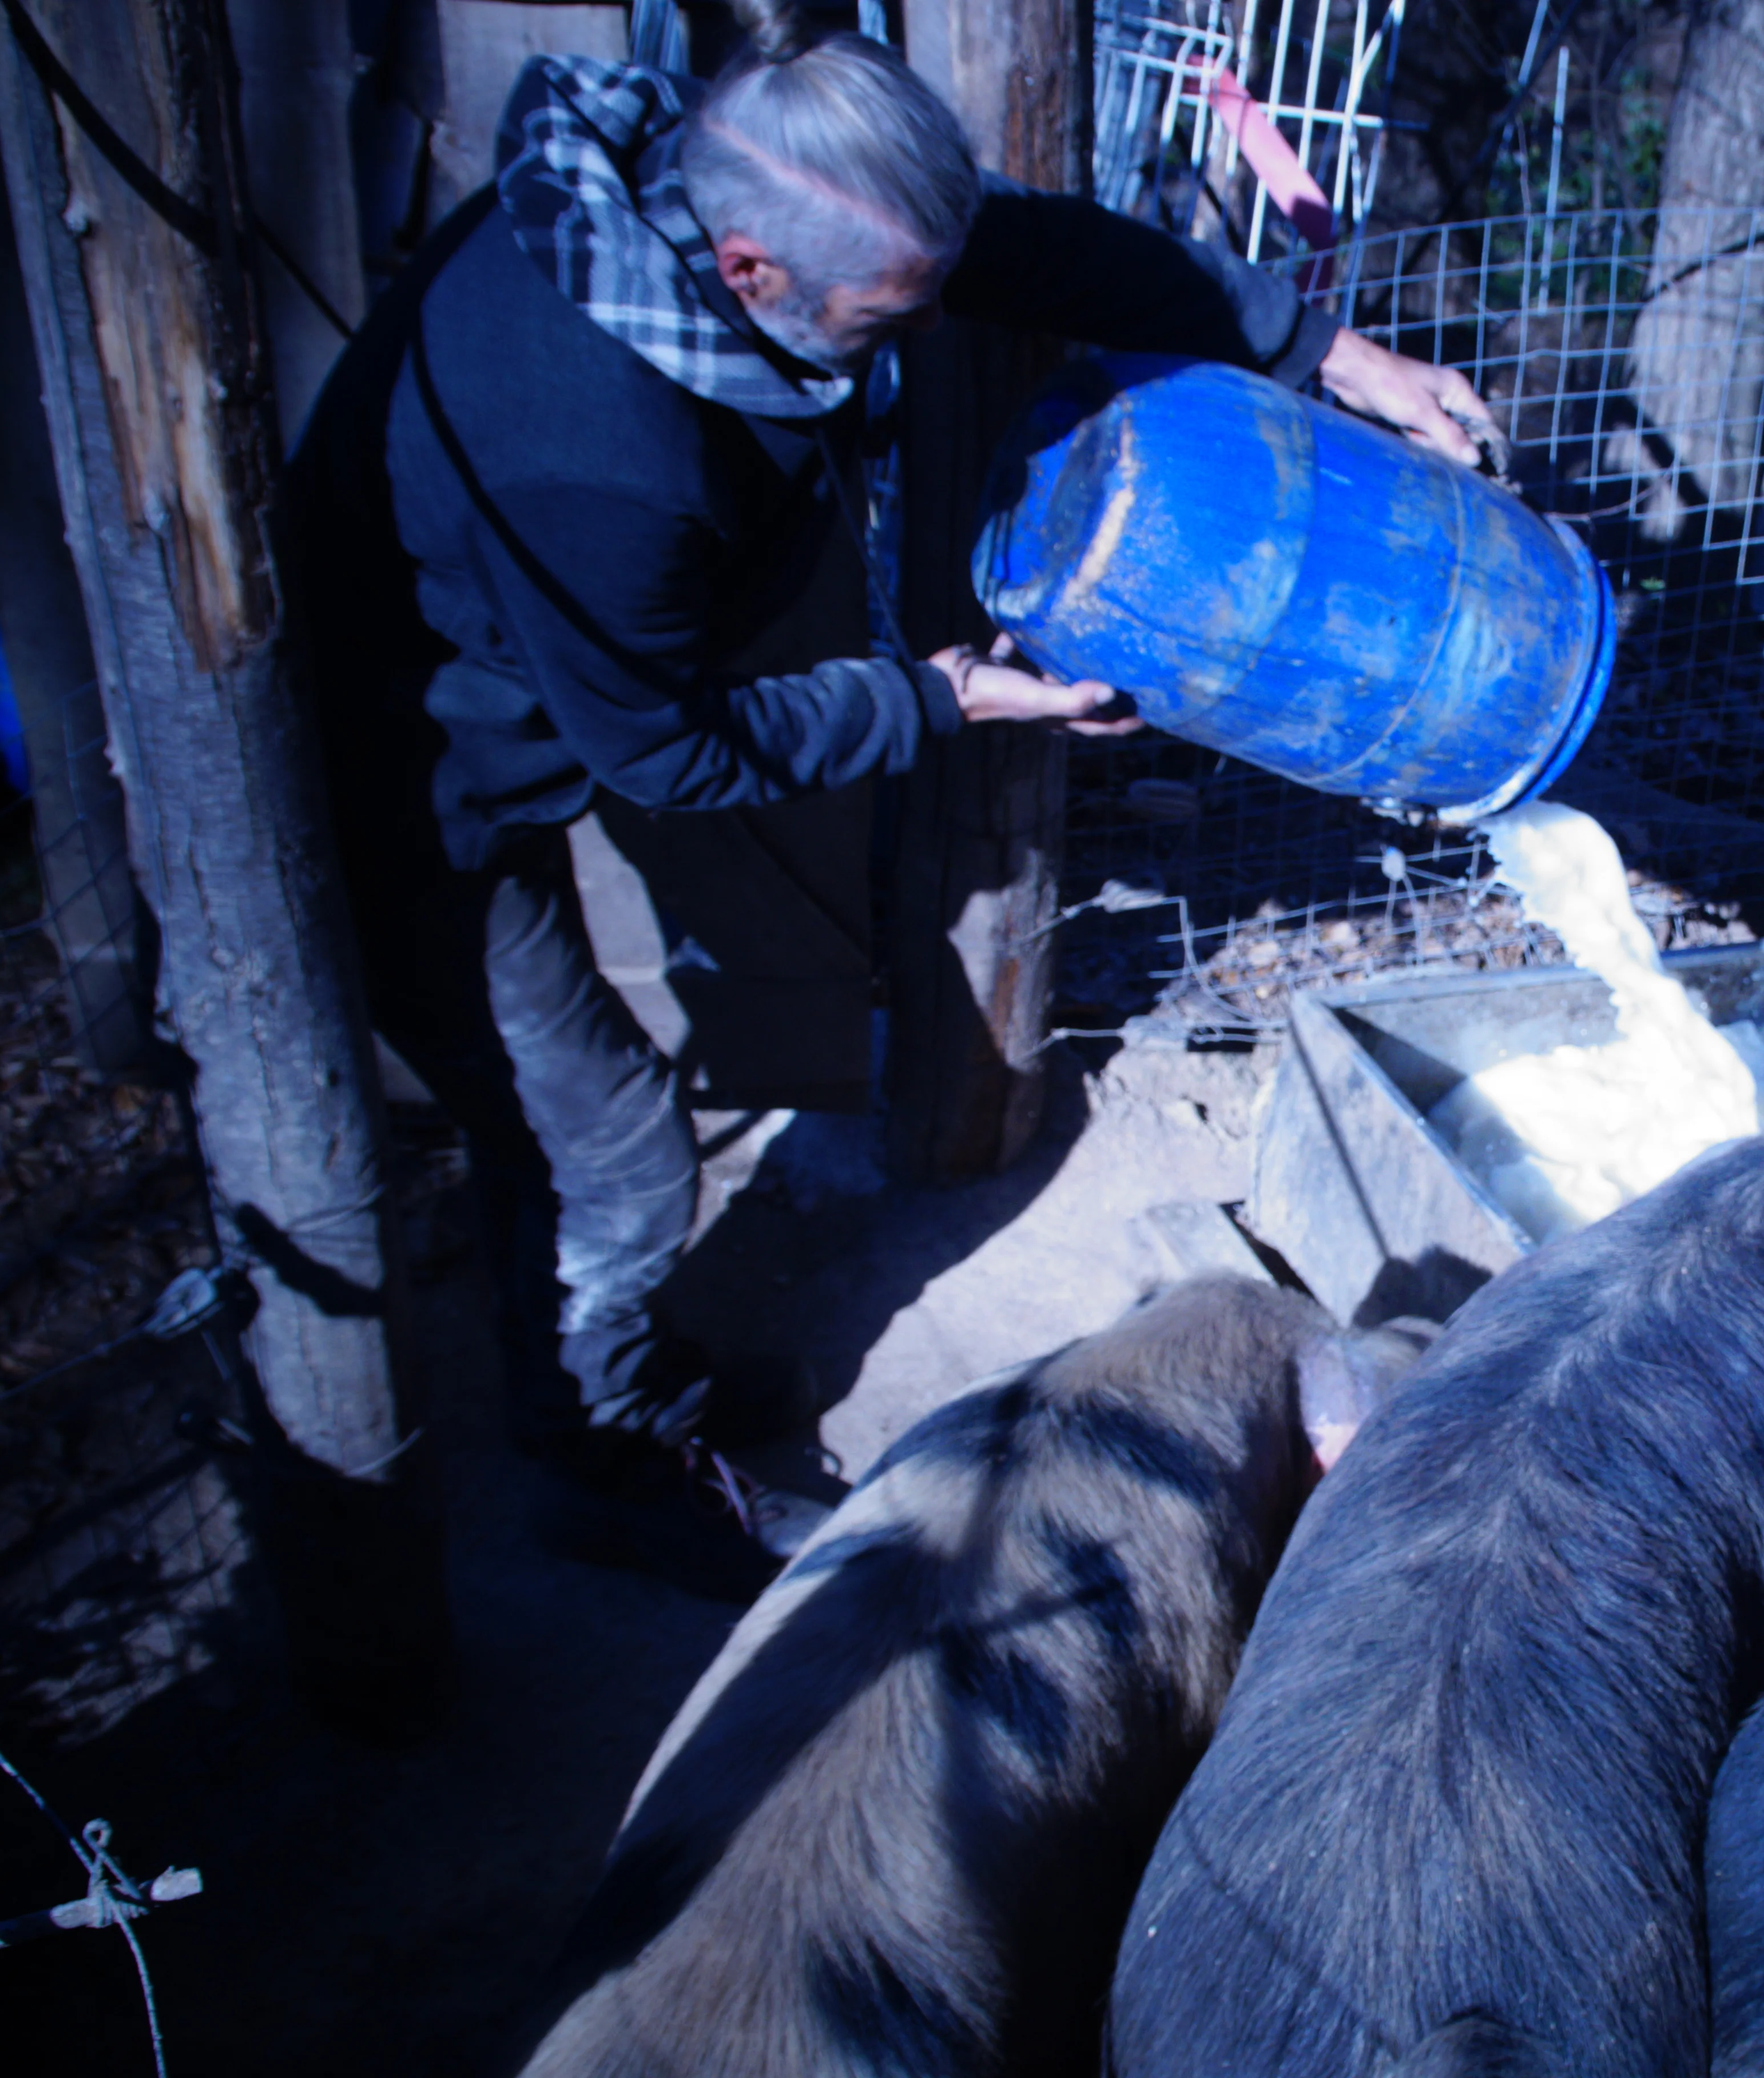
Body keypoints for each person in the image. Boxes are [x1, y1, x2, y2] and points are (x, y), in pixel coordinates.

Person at [273, 10, 1495, 1595]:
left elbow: (1030, 252)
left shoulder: (706, 197)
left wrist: (1337, 356)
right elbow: (666, 752)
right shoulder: (600, 459)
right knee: (612, 1147)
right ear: (750, 274)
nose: (912, 336)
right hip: (412, 772)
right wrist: (938, 697)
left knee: (565, 1117)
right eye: (882, 318)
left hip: (527, 659)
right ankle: (597, 1446)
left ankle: (599, 1362)